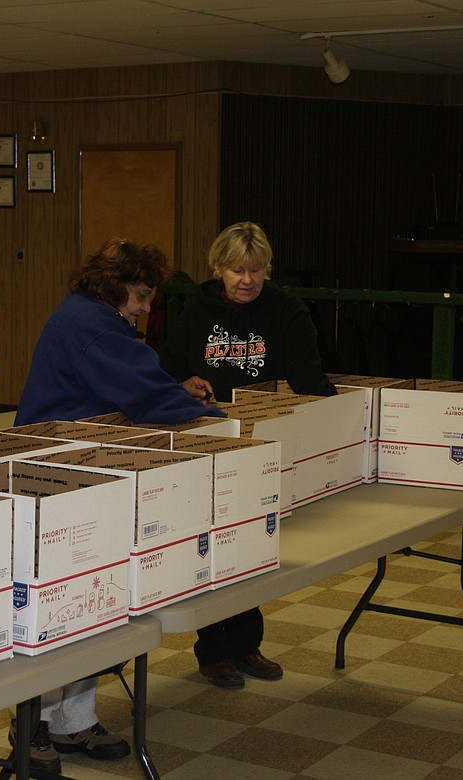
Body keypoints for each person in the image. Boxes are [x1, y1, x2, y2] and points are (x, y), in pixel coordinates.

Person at [15, 237, 225, 772]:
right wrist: (212, 422)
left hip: (79, 467)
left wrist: (174, 391)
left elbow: (134, 383)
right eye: (139, 295)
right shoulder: (93, 327)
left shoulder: (92, 319)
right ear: (113, 290)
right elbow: (144, 392)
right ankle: (30, 726)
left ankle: (73, 721)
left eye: (149, 298)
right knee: (59, 606)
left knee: (92, 603)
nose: (144, 308)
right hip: (56, 475)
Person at [160, 220, 336, 690]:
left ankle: (245, 644)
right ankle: (214, 650)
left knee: (254, 546)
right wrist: (184, 384)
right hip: (210, 444)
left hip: (266, 444)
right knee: (216, 545)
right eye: (237, 270)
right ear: (218, 268)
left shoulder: (287, 310)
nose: (247, 281)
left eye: (256, 271)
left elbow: (308, 377)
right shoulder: (196, 314)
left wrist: (337, 422)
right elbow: (169, 370)